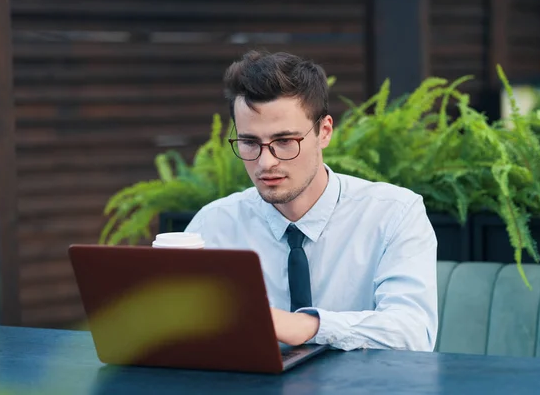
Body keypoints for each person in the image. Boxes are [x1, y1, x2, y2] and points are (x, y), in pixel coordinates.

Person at [184, 50, 438, 352]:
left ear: (324, 132)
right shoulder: (213, 224)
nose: (266, 162)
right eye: (250, 143)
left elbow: (413, 333)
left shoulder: (394, 213)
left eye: (284, 141)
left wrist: (308, 326)